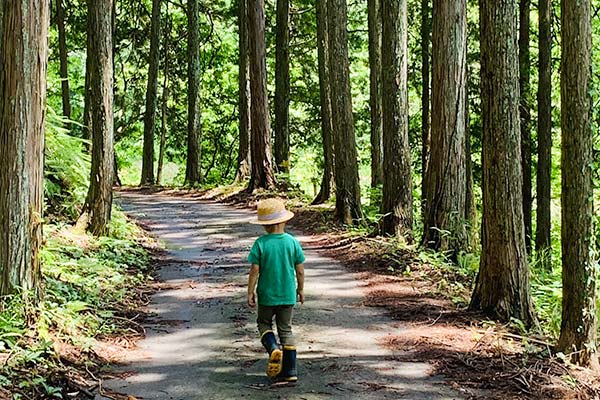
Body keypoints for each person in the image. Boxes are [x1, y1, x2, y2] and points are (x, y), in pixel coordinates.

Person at [247, 198, 305, 383]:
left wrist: (250, 291)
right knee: (286, 329)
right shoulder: (292, 242)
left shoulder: (261, 243)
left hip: (267, 295)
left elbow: (254, 270)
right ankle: (290, 371)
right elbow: (300, 269)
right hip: (287, 295)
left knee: (263, 323)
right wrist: (301, 289)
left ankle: (273, 348)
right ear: (284, 221)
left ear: (265, 225)